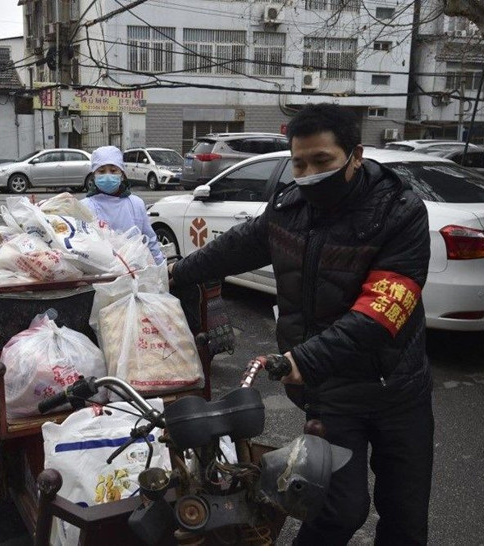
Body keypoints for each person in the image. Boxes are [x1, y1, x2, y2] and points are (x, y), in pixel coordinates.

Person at [169, 104, 433, 545]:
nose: (309, 173)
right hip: (329, 394)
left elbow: (381, 310)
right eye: (299, 162)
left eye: (322, 161)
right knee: (336, 511)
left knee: (405, 519)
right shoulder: (290, 207)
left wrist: (303, 360)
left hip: (397, 391)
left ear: (356, 155)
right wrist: (175, 274)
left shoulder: (399, 212)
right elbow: (236, 248)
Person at [81, 145, 165, 265]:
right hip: (101, 273)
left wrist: (161, 267)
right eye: (101, 171)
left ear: (122, 174)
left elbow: (150, 240)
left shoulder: (136, 204)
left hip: (135, 270)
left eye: (113, 170)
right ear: (94, 175)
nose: (108, 175)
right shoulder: (85, 207)